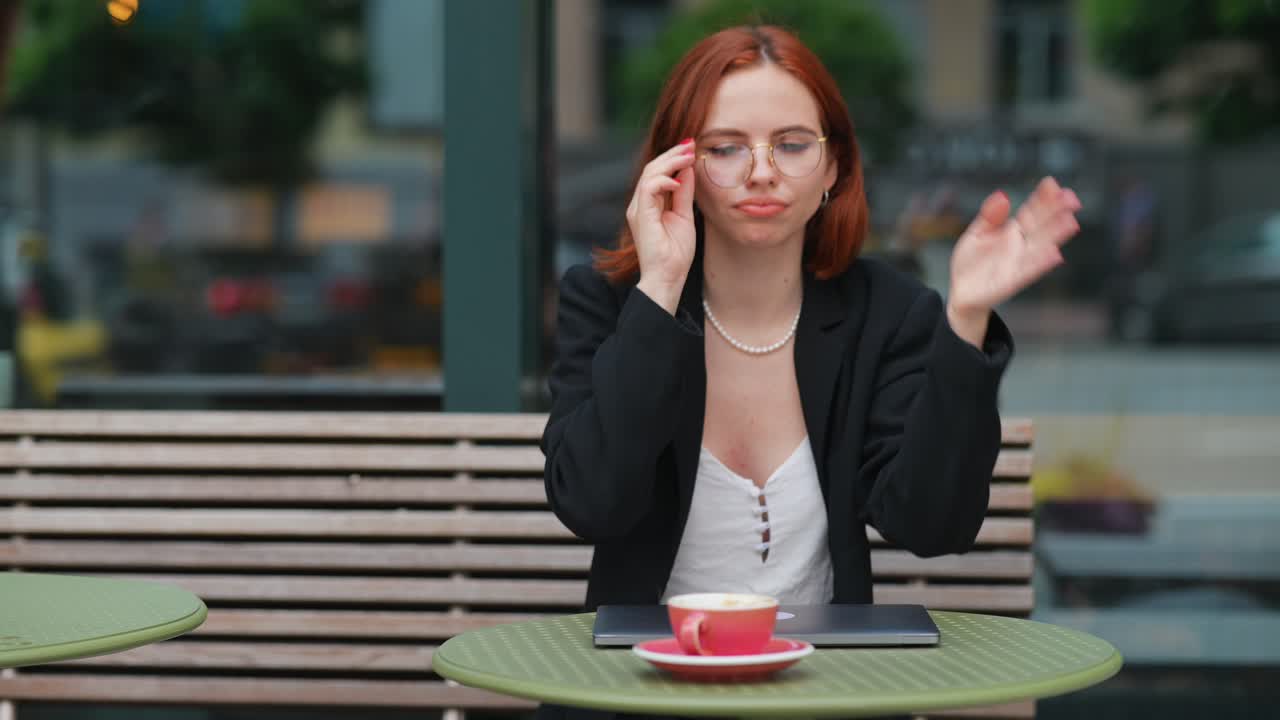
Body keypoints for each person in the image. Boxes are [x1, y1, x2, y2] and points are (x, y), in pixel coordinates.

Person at [540, 26, 1080, 720]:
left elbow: (932, 524)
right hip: (635, 702)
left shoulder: (887, 311)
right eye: (726, 147)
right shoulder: (612, 304)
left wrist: (966, 318)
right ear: (678, 167)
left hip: (826, 699)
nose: (761, 170)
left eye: (792, 144)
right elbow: (591, 502)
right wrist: (661, 283)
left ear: (833, 170)